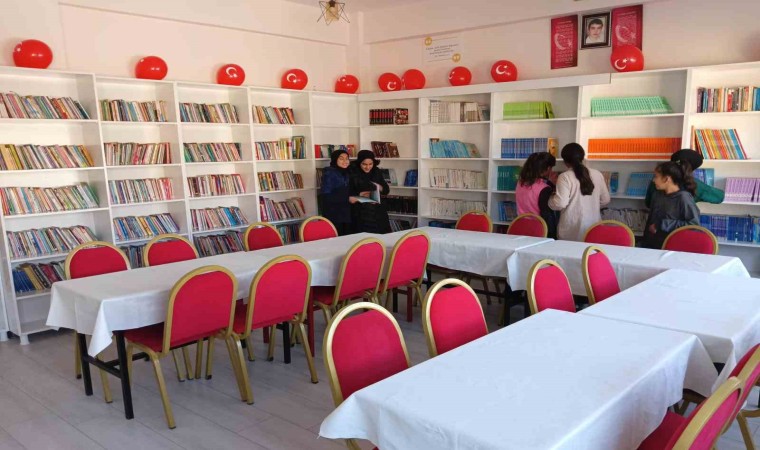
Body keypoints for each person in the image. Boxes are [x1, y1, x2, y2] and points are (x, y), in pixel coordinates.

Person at [548, 143, 610, 241]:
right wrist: (590, 205)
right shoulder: (597, 174)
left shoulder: (564, 177)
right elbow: (605, 200)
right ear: (582, 157)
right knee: (590, 250)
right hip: (594, 228)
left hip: (571, 229)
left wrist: (550, 199)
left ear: (565, 161)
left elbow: (560, 203)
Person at [641, 161, 701, 249]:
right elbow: (651, 221)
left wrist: (662, 224)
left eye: (656, 177)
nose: (653, 180)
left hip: (675, 246)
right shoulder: (656, 195)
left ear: (667, 179)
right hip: (653, 245)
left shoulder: (684, 198)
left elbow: (693, 225)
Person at [645, 149, 725, 207]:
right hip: (684, 225)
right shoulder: (695, 184)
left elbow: (648, 204)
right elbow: (719, 197)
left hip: (656, 223)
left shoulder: (658, 180)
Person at [515, 152, 559, 238]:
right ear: (548, 168)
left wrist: (549, 183)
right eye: (551, 168)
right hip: (538, 229)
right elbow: (547, 215)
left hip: (521, 225)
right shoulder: (544, 188)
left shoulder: (520, 183)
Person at [348, 149, 391, 233]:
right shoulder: (352, 172)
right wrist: (364, 196)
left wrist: (379, 187)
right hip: (360, 213)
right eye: (364, 164)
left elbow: (386, 190)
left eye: (370, 164)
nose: (368, 167)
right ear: (359, 162)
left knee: (381, 237)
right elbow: (349, 196)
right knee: (363, 237)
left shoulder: (376, 171)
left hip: (378, 212)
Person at [319, 149, 353, 235]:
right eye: (341, 158)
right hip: (334, 213)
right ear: (335, 160)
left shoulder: (347, 172)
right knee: (337, 238)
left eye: (347, 158)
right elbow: (326, 196)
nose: (345, 161)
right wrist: (348, 198)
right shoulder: (329, 173)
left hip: (345, 212)